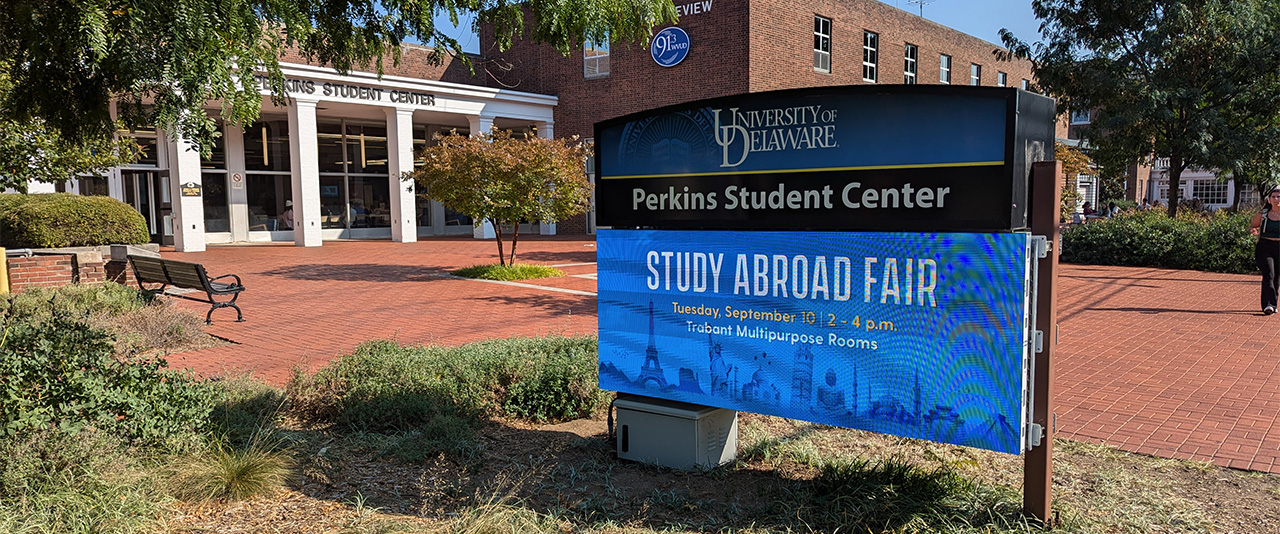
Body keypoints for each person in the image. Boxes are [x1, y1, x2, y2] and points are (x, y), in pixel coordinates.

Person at [1250, 187, 1280, 314]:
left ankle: (1273, 303)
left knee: (1277, 277)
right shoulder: (1263, 214)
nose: (1276, 199)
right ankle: (1268, 305)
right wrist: (1254, 230)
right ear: (1269, 199)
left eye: (1278, 197)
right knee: (1269, 274)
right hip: (1265, 246)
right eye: (1273, 197)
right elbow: (1253, 225)